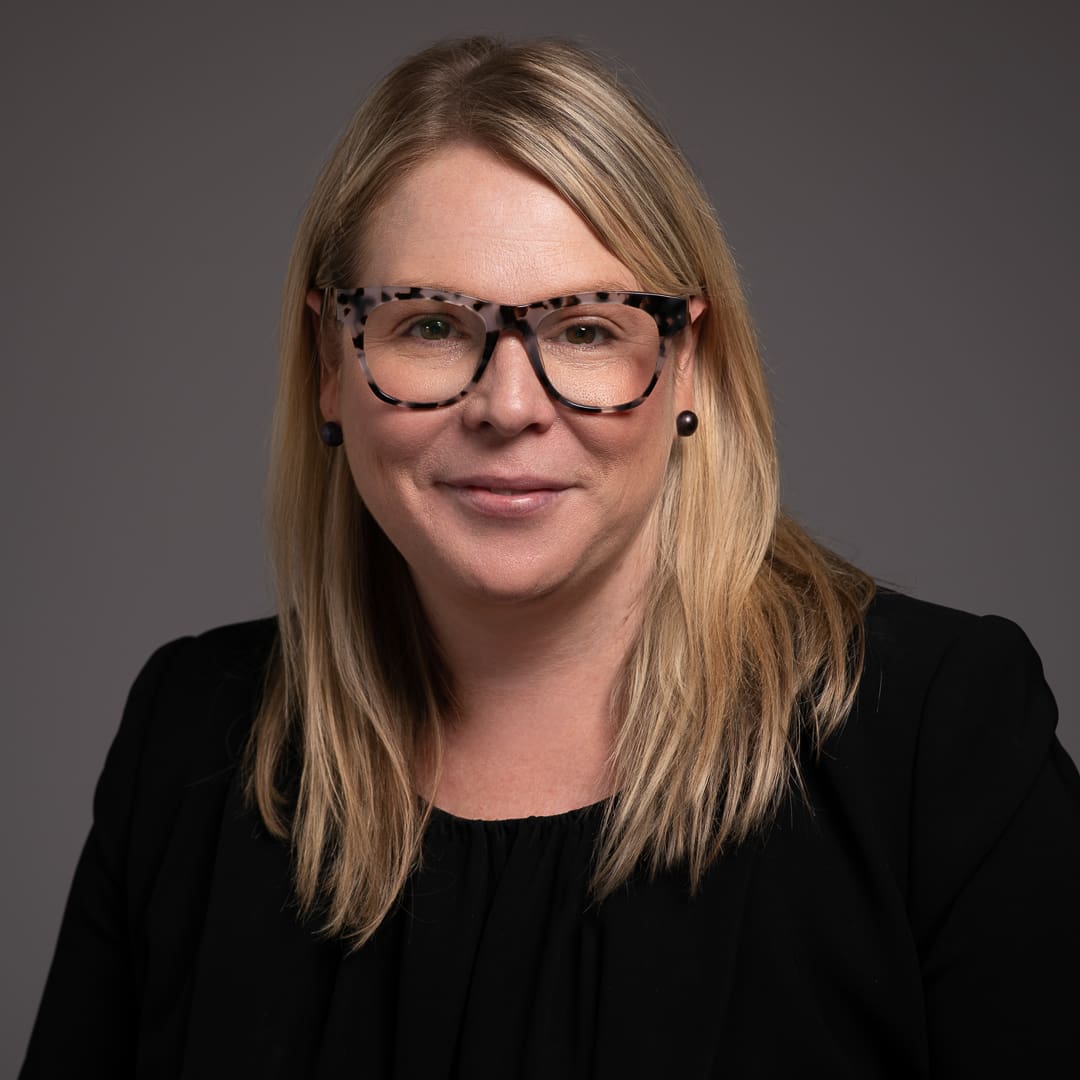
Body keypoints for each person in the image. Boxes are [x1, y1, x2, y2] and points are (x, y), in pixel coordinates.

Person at [20, 35, 1080, 1079]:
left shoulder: (934, 739)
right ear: (330, 368)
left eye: (584, 329)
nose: (509, 406)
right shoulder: (190, 738)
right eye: (430, 324)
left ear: (688, 368)